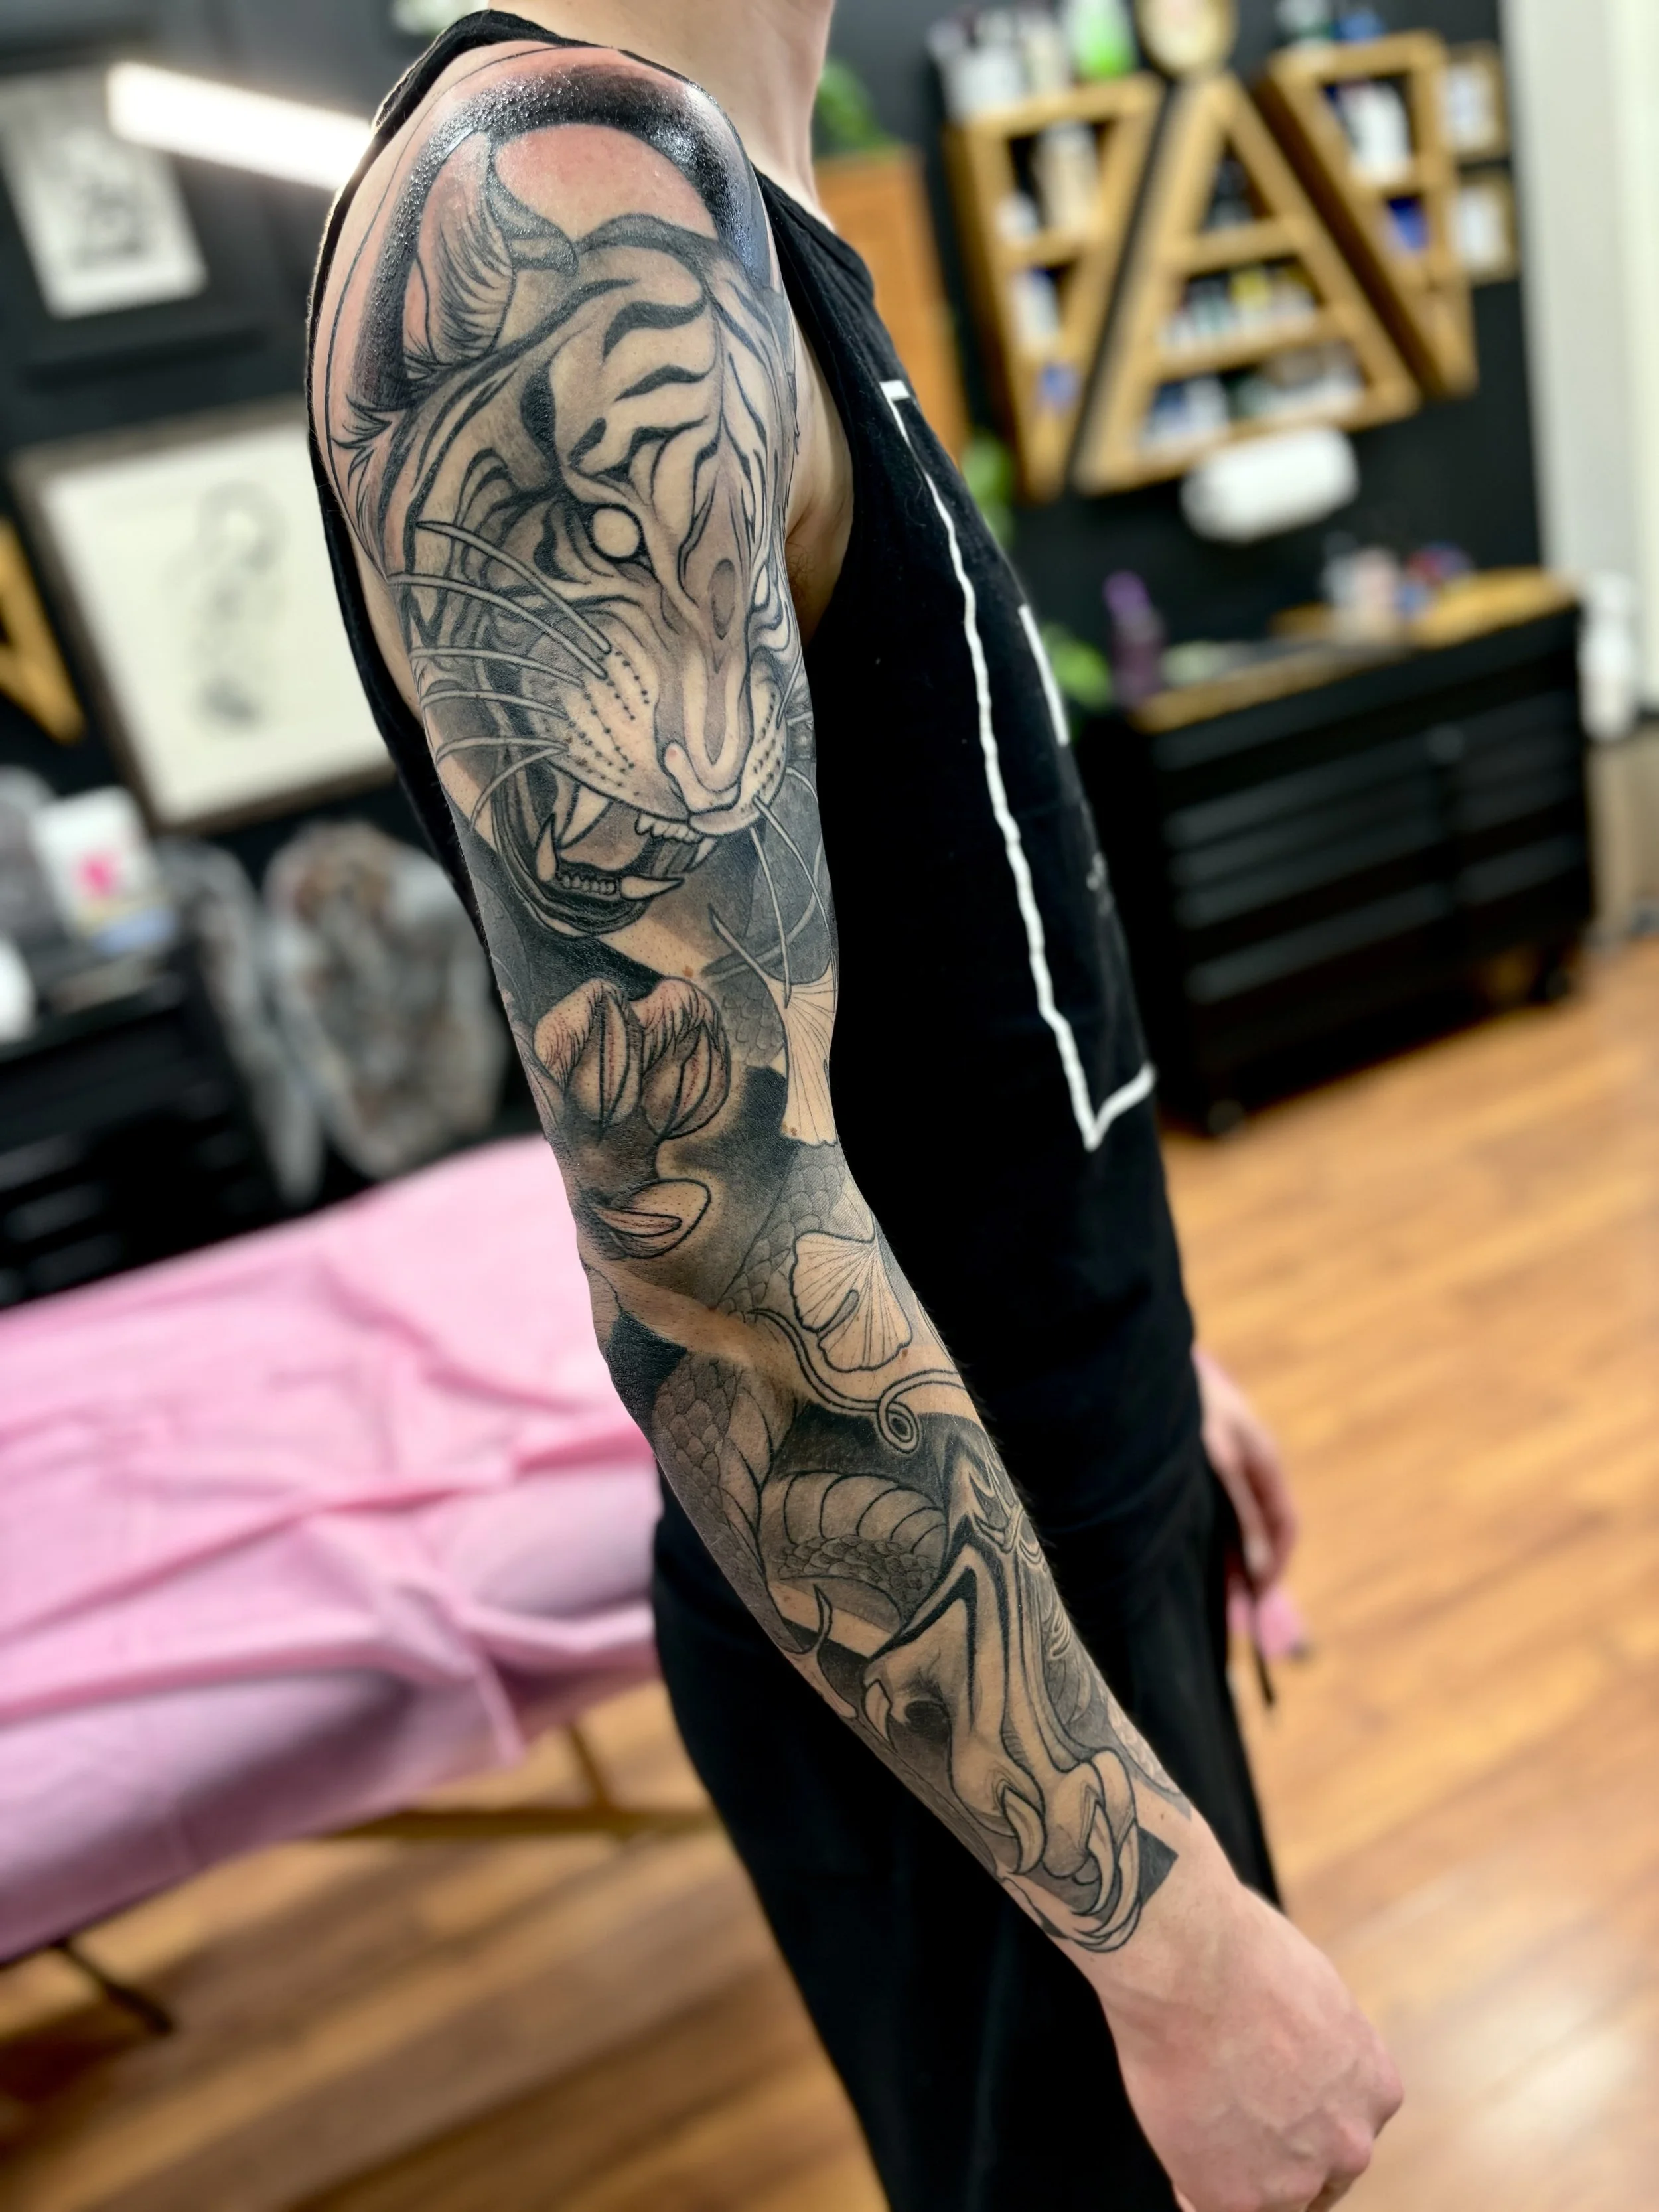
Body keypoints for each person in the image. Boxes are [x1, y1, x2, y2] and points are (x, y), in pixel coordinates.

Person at [307, 7, 1401, 2205]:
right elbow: (712, 1257)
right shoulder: (555, 222)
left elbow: (940, 949)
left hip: (1050, 1518)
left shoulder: (728, 182)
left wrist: (1141, 1357)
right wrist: (1170, 1949)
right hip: (950, 1677)